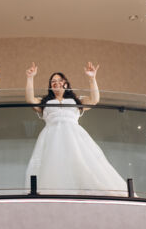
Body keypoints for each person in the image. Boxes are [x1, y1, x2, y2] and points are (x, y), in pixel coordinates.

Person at [25, 62, 127, 195]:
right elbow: (30, 99)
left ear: (66, 84)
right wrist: (30, 78)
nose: (56, 83)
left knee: (82, 163)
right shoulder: (44, 102)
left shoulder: (77, 100)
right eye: (53, 81)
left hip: (74, 135)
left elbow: (94, 99)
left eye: (60, 80)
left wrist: (92, 78)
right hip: (52, 136)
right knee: (53, 165)